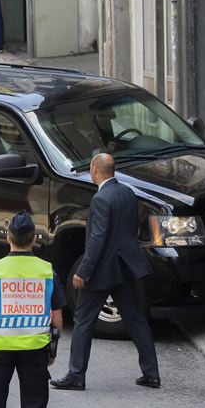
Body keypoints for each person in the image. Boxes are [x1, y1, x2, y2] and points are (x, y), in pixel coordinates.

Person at [50, 154, 161, 391]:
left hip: (101, 271)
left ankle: (76, 375)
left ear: (95, 170)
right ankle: (151, 374)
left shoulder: (101, 198)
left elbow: (97, 239)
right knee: (136, 319)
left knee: (83, 321)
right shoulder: (127, 193)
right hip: (124, 267)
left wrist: (83, 270)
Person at [0, 211, 66, 408]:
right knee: (35, 401)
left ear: (8, 237)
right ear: (34, 238)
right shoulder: (46, 270)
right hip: (35, 347)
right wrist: (52, 350)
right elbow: (57, 318)